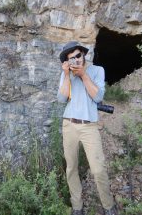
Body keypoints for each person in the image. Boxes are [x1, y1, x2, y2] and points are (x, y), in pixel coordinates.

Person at [57, 41, 118, 215]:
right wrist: (67, 75)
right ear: (67, 61)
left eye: (78, 55)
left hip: (89, 126)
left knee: (98, 168)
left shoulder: (97, 70)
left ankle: (108, 206)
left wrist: (83, 75)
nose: (76, 60)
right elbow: (61, 99)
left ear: (83, 53)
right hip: (69, 124)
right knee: (71, 168)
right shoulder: (66, 73)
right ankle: (77, 206)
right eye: (71, 58)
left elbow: (98, 97)